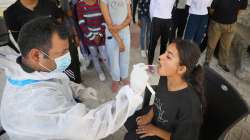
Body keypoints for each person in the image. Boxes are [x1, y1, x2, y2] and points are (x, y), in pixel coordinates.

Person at [0, 17, 149, 140]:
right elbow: (93, 126)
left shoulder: (29, 68)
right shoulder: (36, 104)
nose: (68, 56)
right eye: (62, 52)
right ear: (36, 55)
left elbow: (54, 80)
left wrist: (78, 90)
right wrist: (133, 93)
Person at [124, 40, 205, 140]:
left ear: (181, 69)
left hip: (168, 135)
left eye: (168, 56)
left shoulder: (190, 107)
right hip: (157, 115)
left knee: (129, 138)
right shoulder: (166, 76)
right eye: (165, 52)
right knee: (127, 120)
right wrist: (150, 115)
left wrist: (155, 130)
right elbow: (160, 100)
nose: (160, 57)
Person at [4, 0, 82, 83]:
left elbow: (60, 27)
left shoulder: (50, 4)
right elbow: (19, 40)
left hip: (60, 49)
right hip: (43, 58)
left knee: (71, 72)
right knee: (54, 80)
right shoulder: (10, 13)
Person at [204, 0, 248, 72]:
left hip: (231, 25)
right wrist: (218, 17)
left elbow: (241, 9)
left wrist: (231, 18)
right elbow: (211, 10)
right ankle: (207, 61)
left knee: (226, 46)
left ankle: (222, 63)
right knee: (211, 44)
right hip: (216, 24)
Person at [100, 0, 132, 92]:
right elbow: (109, 23)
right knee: (113, 58)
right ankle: (115, 79)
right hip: (111, 34)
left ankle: (124, 76)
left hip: (125, 32)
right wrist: (119, 41)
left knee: (125, 56)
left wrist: (119, 27)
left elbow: (129, 17)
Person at [76, 0, 109, 81]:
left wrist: (99, 35)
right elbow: (81, 22)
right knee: (94, 56)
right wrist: (92, 37)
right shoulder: (80, 4)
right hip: (89, 37)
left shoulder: (100, 2)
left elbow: (105, 20)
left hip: (101, 36)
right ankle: (100, 72)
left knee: (104, 55)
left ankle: (111, 70)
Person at [147, 0, 176, 65]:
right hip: (157, 19)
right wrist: (153, 19)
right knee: (152, 44)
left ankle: (161, 63)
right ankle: (149, 65)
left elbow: (172, 7)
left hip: (168, 19)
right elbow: (152, 6)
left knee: (164, 44)